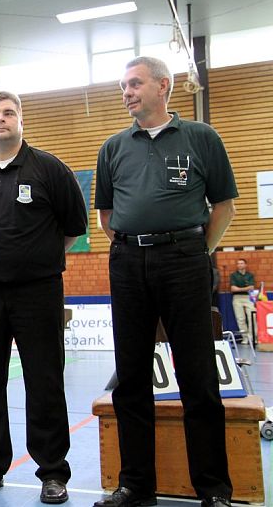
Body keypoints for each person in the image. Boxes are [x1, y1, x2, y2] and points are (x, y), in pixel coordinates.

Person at [94, 56, 236, 507]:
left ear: (163, 86)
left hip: (186, 260)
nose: (127, 92)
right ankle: (136, 486)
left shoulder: (201, 137)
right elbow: (106, 217)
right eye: (122, 86)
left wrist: (195, 251)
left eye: (134, 84)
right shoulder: (113, 147)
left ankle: (213, 488)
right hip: (129, 262)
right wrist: (138, 246)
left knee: (198, 375)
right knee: (131, 378)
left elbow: (224, 206)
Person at [0, 90, 86, 504]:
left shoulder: (50, 170)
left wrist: (34, 259)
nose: (0, 119)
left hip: (38, 291)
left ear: (21, 119)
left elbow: (73, 228)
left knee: (44, 380)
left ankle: (53, 473)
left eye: (8, 112)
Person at [230, 258, 255, 344]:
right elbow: (233, 289)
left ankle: (253, 337)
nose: (240, 265)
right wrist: (245, 288)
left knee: (252, 317)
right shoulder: (233, 275)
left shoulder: (250, 275)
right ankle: (245, 338)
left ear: (245, 265)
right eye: (238, 263)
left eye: (241, 263)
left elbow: (251, 287)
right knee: (240, 318)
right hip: (237, 298)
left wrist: (239, 288)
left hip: (248, 297)